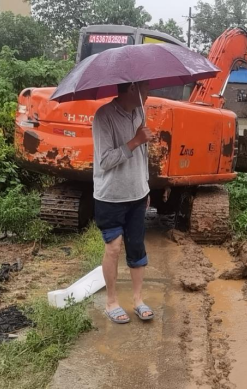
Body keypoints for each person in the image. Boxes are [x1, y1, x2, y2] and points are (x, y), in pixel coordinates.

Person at [92, 81, 155, 324]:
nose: (149, 93)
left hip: (137, 193)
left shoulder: (139, 111)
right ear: (131, 89)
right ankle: (111, 302)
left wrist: (145, 184)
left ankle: (138, 300)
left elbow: (143, 155)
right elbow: (105, 160)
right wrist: (136, 140)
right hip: (111, 195)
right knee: (114, 247)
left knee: (137, 247)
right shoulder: (103, 116)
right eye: (145, 88)